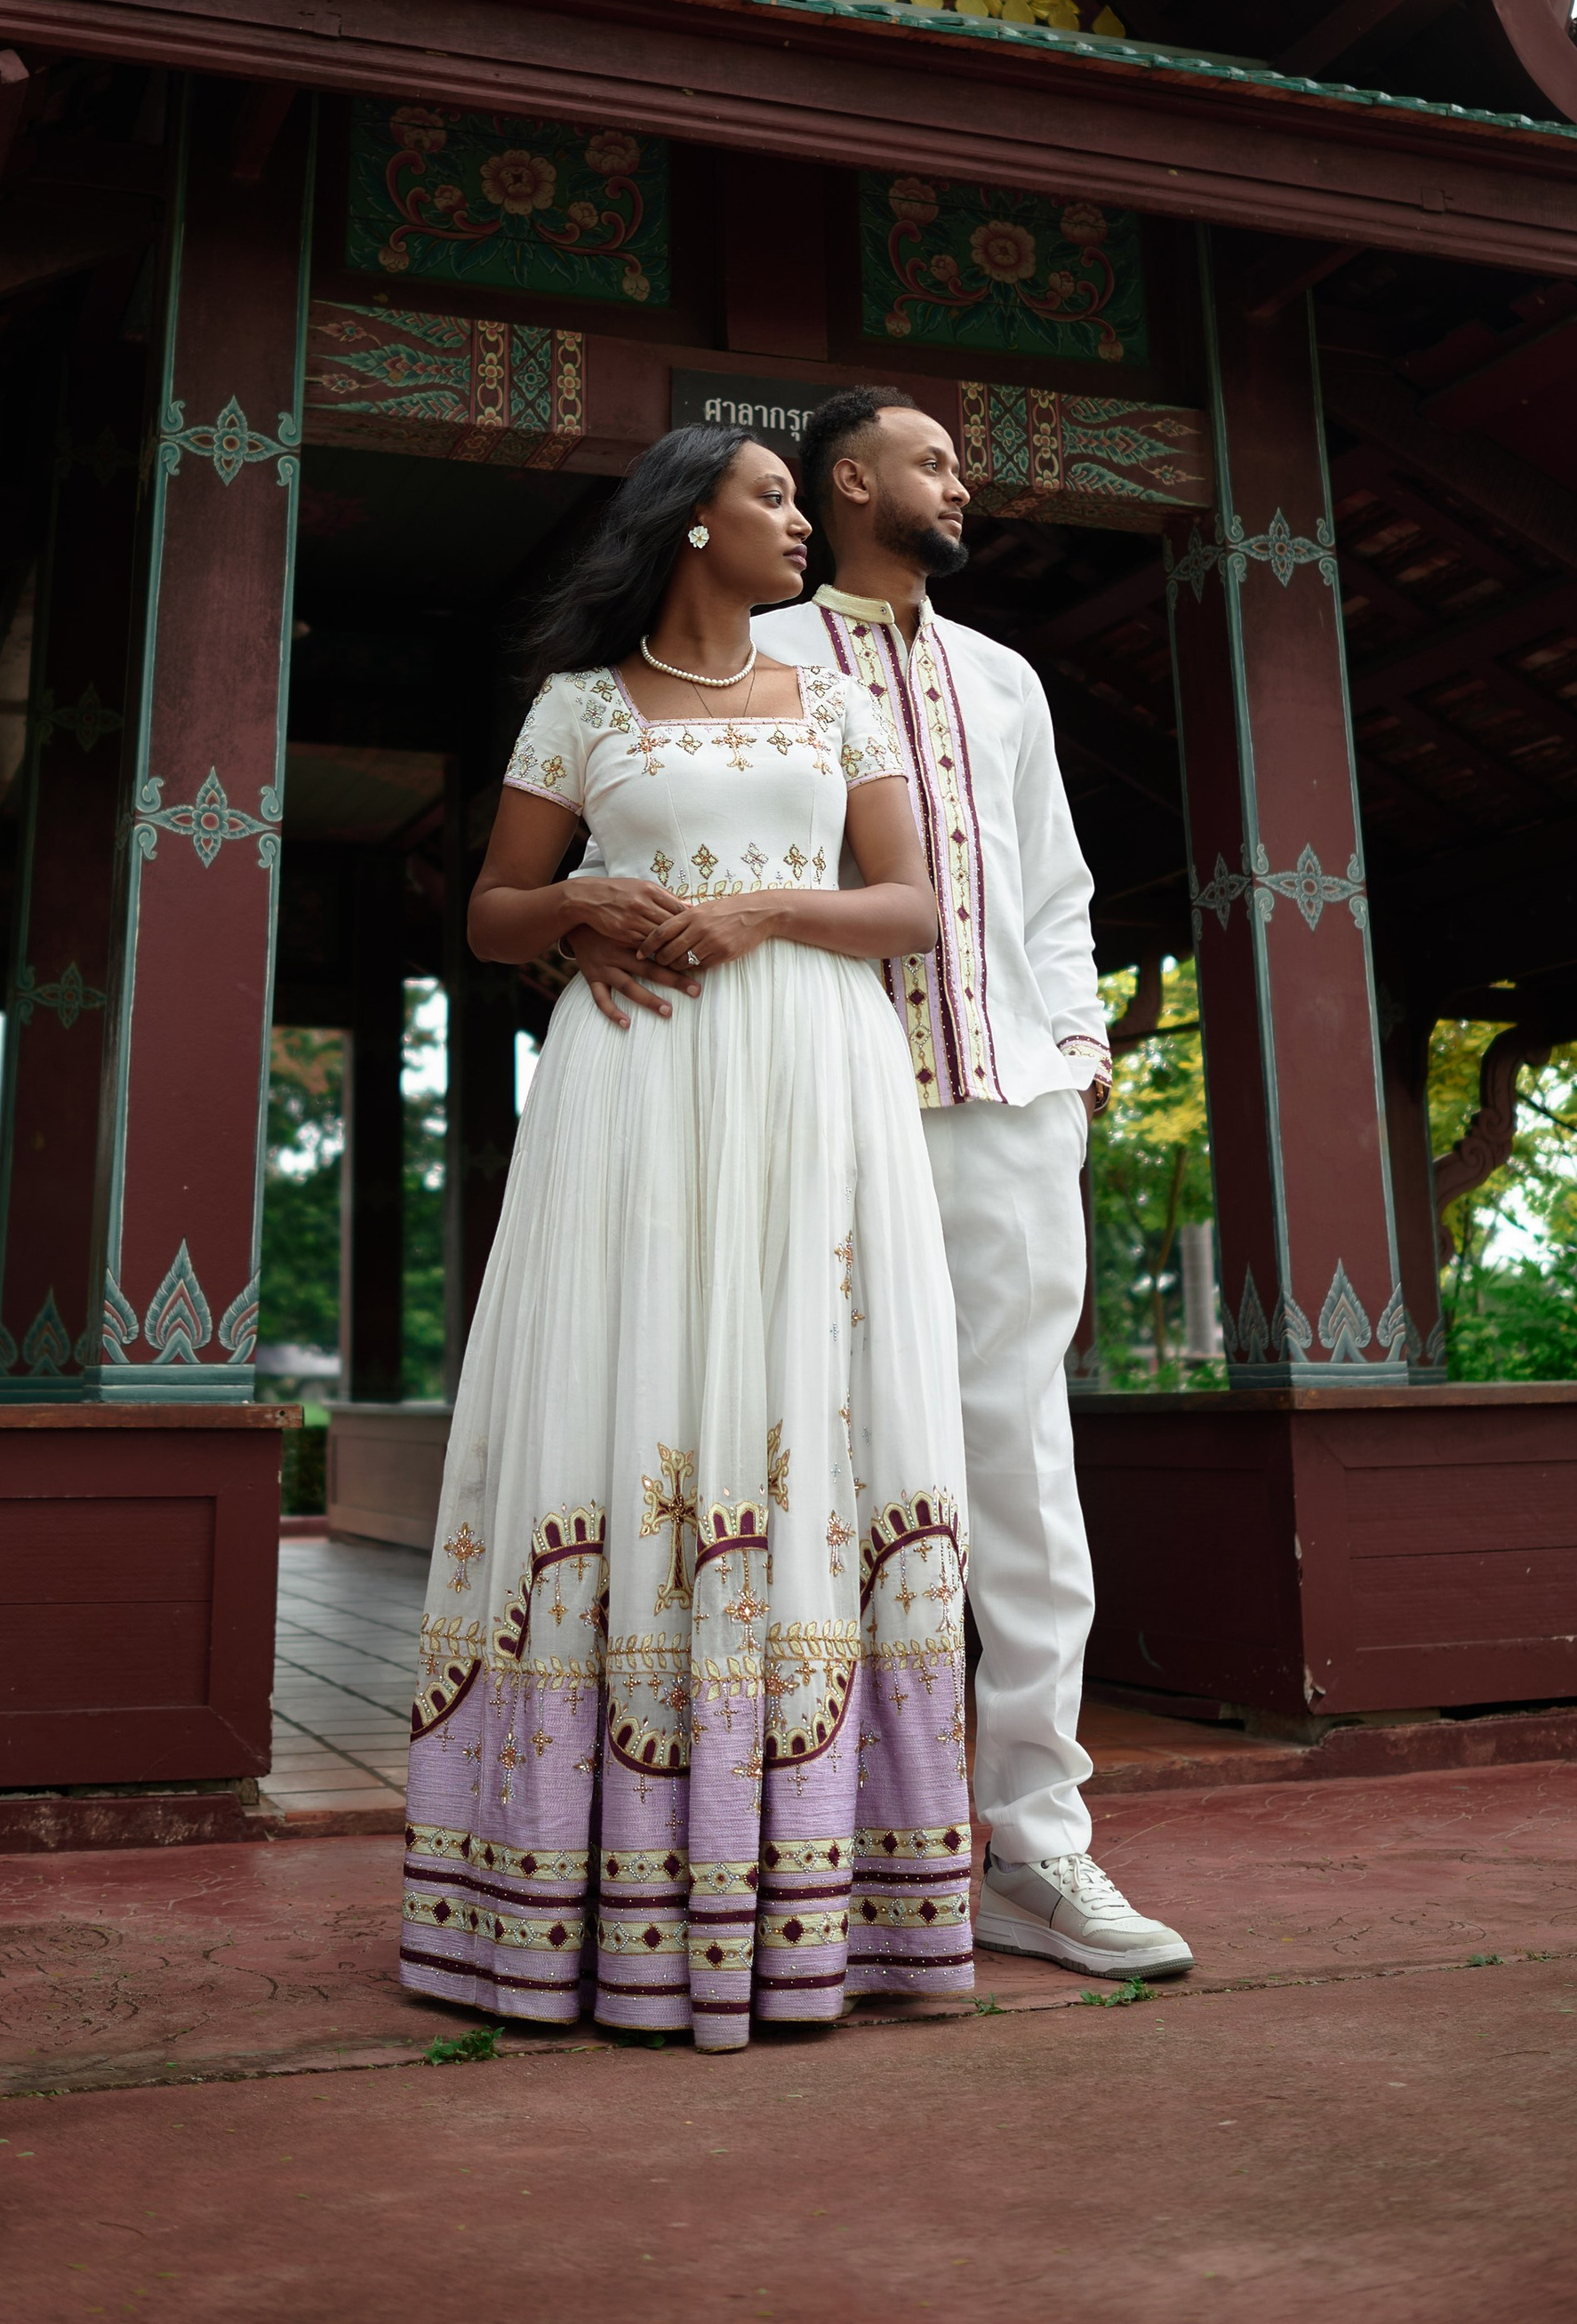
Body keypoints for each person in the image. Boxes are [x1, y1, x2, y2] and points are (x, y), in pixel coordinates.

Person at [572, 387, 1194, 1985]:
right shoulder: (765, 668)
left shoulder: (1002, 677)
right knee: (803, 1460)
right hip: (807, 1103)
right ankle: (825, 1846)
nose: (959, 480)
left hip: (999, 1113)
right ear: (850, 483)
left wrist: (1073, 1054)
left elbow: (1052, 889)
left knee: (1019, 1472)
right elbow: (659, 831)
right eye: (930, 459)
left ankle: (1040, 1848)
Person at [399, 424, 974, 2054]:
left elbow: (913, 908)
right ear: (687, 523)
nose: (799, 522)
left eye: (802, 495)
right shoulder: (578, 709)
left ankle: (814, 1894)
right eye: (773, 498)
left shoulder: (841, 697)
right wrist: (582, 907)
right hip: (636, 1088)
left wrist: (758, 913)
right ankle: (591, 1895)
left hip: (815, 1077)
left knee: (809, 1405)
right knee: (630, 1404)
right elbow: (494, 910)